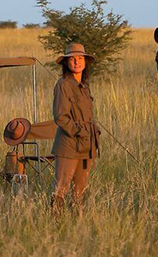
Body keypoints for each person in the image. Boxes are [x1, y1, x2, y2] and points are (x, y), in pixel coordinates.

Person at [50, 42, 99, 214]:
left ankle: (77, 227)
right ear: (66, 63)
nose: (76, 62)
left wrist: (92, 132)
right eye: (72, 59)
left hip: (86, 146)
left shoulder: (84, 86)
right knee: (61, 188)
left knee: (80, 191)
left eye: (80, 58)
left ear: (85, 62)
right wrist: (80, 131)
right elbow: (60, 117)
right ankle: (55, 224)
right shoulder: (63, 84)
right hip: (69, 145)